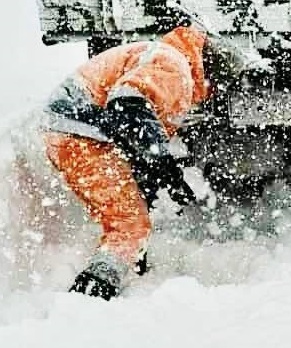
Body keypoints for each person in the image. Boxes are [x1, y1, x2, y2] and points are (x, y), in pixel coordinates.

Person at [41, 24, 249, 299]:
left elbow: (130, 123)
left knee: (132, 215)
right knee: (129, 227)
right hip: (80, 135)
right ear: (212, 74)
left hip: (77, 131)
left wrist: (154, 173)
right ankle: (87, 300)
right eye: (221, 86)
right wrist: (162, 164)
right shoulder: (175, 67)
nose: (216, 95)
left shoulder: (168, 57)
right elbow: (126, 104)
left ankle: (128, 276)